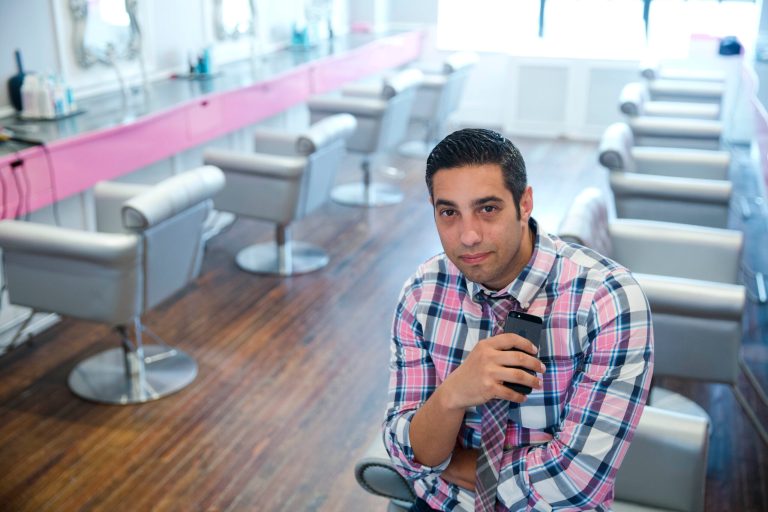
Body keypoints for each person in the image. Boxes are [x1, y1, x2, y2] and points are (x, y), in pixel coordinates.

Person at [383, 128, 654, 512]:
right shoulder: (423, 292)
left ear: (525, 203)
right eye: (449, 213)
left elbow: (576, 482)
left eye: (487, 208)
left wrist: (450, 462)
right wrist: (453, 393)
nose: (469, 236)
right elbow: (402, 448)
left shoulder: (607, 302)